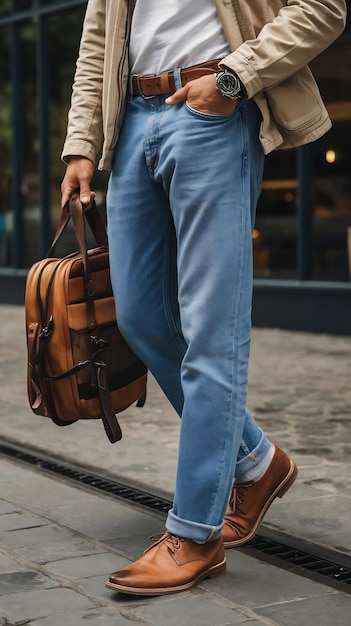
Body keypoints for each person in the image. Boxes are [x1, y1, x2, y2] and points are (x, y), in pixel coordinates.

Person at [61, 0, 346, 596]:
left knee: (212, 331)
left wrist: (233, 79)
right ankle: (259, 463)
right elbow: (98, 42)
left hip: (213, 110)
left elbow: (323, 8)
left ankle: (195, 532)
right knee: (140, 317)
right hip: (134, 118)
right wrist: (82, 143)